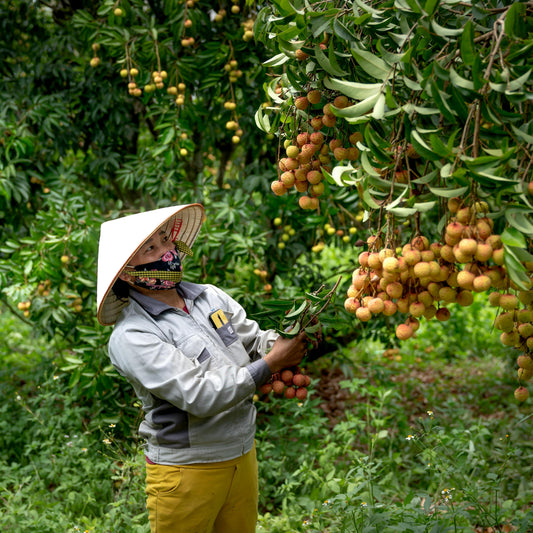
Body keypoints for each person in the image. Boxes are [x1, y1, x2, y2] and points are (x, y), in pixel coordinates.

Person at [96, 203, 311, 533]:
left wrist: (292, 340)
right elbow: (200, 395)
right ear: (126, 272)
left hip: (242, 454)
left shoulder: (209, 297)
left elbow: (253, 340)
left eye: (166, 240)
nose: (166, 251)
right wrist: (273, 363)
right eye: (150, 248)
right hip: (186, 473)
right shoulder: (133, 335)